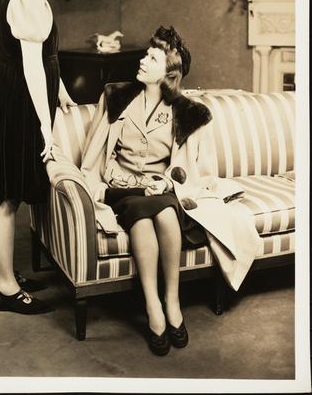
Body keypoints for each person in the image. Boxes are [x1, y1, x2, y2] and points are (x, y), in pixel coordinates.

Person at [79, 25, 260, 355]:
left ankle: (172, 301)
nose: (142, 60)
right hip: (124, 189)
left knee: (164, 212)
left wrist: (165, 182)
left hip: (162, 190)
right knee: (142, 212)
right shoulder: (117, 96)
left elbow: (187, 168)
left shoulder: (185, 112)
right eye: (146, 55)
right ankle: (153, 306)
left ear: (168, 73)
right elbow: (97, 153)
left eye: (152, 58)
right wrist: (114, 183)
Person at [0, 0, 76, 315]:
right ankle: (5, 287)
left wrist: (61, 90)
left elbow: (41, 57)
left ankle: (3, 273)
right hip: (18, 102)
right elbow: (32, 67)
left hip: (7, 97)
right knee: (6, 198)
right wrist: (45, 128)